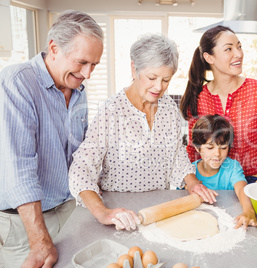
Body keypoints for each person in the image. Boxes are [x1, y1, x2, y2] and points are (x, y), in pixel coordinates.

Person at [69, 34, 218, 232]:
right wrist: (103, 212)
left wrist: (192, 183)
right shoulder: (111, 111)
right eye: (152, 78)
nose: (159, 87)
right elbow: (81, 169)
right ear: (134, 69)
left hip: (158, 208)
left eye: (166, 80)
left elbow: (177, 156)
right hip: (118, 211)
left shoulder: (169, 109)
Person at [0, 10, 104, 267]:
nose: (88, 74)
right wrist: (38, 239)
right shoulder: (17, 83)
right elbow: (18, 166)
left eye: (94, 65)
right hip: (25, 222)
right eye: (82, 62)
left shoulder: (77, 87)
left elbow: (80, 152)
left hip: (68, 209)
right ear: (54, 48)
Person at [180, 26, 257, 184]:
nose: (239, 54)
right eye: (229, 49)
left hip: (253, 180)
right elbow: (193, 148)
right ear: (209, 58)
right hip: (210, 181)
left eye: (239, 47)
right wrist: (193, 183)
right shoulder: (198, 97)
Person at [191, 114, 257, 229]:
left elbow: (241, 189)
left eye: (223, 148)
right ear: (197, 147)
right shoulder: (190, 173)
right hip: (197, 223)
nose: (217, 154)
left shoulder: (232, 167)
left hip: (228, 222)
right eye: (210, 148)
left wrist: (249, 211)